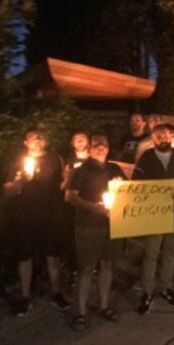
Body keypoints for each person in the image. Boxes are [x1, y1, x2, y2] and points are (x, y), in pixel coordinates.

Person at [3, 128, 70, 317]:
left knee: (52, 255)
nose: (37, 140)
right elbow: (7, 190)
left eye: (40, 137)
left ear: (46, 141)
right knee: (25, 256)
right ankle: (25, 296)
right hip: (24, 215)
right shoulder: (17, 161)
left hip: (49, 214)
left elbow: (61, 187)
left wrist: (68, 179)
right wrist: (20, 182)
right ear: (26, 143)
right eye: (32, 138)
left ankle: (56, 293)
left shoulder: (55, 159)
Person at [65, 135, 126, 331]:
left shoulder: (114, 169)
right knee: (86, 268)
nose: (101, 148)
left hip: (112, 225)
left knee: (107, 265)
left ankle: (104, 305)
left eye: (105, 144)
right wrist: (93, 207)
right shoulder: (81, 170)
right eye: (96, 145)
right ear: (90, 149)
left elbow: (127, 190)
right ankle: (81, 313)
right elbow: (69, 197)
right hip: (88, 226)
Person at [132, 124, 174, 314]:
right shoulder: (146, 158)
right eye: (158, 136)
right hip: (154, 213)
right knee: (151, 253)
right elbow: (136, 183)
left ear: (172, 136)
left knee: (169, 252)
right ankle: (148, 292)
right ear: (153, 138)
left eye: (166, 135)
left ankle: (166, 288)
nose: (163, 139)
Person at [61, 131, 90, 286]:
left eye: (82, 138)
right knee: (73, 237)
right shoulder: (68, 161)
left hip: (91, 203)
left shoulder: (94, 159)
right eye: (76, 139)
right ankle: (73, 269)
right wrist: (67, 177)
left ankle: (90, 267)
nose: (79, 141)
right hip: (72, 205)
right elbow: (62, 184)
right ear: (72, 143)